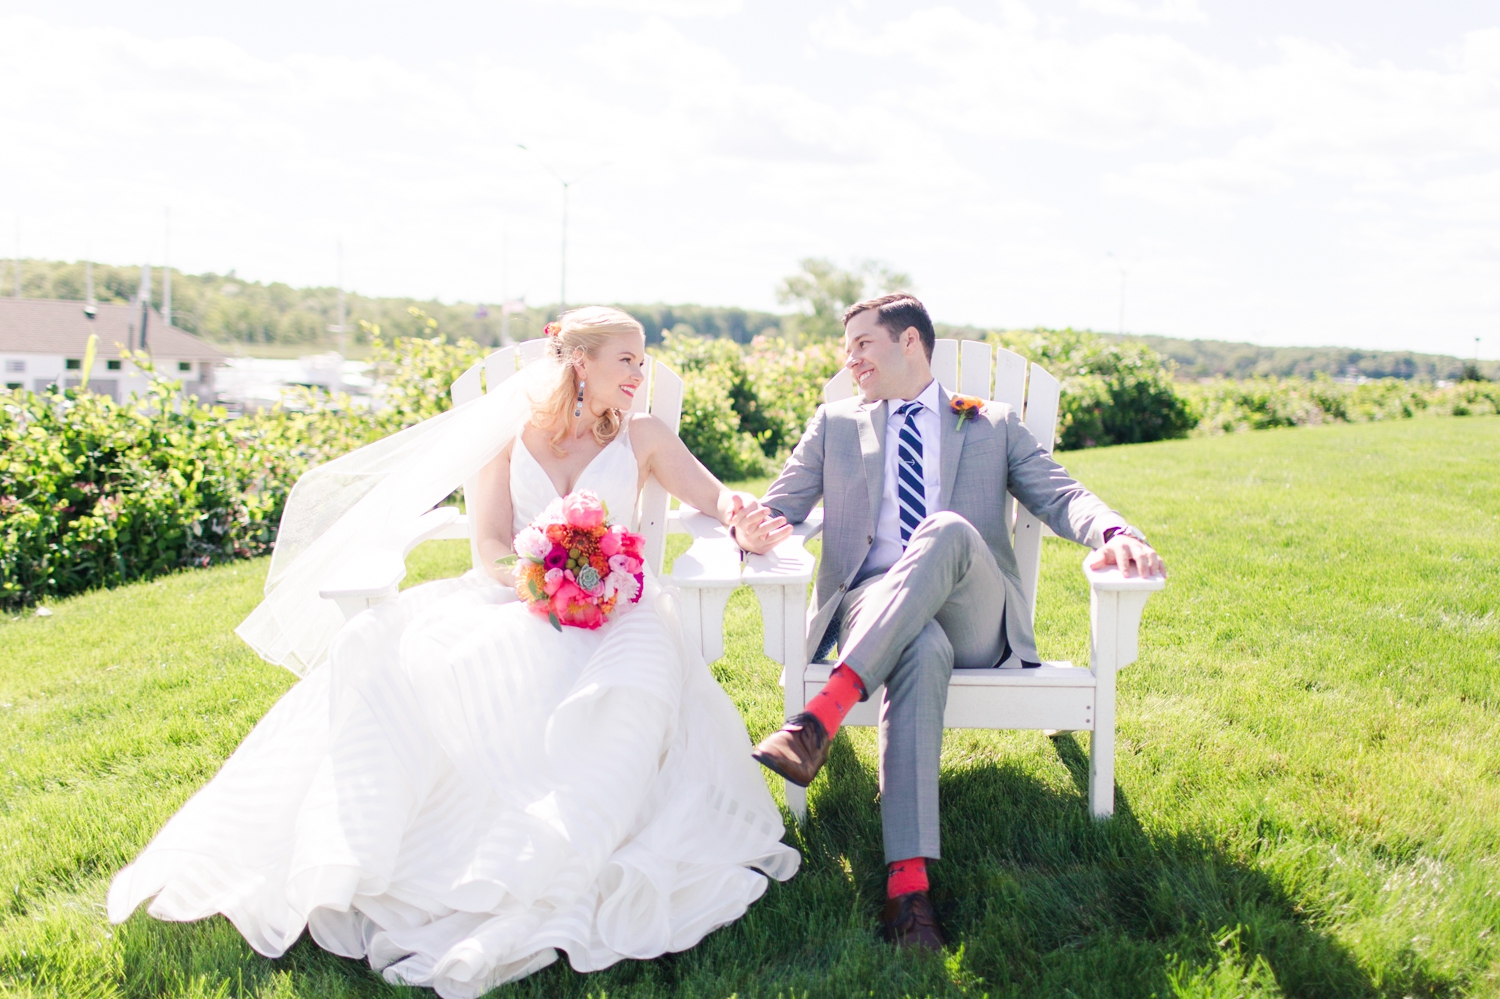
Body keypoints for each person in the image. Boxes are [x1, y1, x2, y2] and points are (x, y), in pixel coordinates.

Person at [108, 307, 798, 998]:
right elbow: (492, 547)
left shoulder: (644, 433)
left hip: (619, 615)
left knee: (628, 676)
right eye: (627, 359)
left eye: (643, 363)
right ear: (580, 362)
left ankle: (565, 852)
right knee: (387, 652)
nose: (639, 374)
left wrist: (746, 519)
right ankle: (414, 855)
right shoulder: (505, 437)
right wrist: (547, 581)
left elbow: (715, 493)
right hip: (514, 600)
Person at [731, 294, 1164, 950]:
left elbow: (1060, 494)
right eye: (846, 349)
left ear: (910, 342)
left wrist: (1113, 529)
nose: (850, 359)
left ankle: (820, 715)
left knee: (947, 531)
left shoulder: (990, 423)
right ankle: (910, 895)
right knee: (918, 643)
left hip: (973, 613)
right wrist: (750, 529)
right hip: (872, 610)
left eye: (862, 344)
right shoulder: (835, 425)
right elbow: (777, 511)